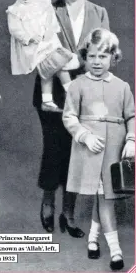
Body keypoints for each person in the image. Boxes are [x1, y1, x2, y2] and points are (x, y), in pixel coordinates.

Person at [33, 0, 110, 235]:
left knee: (78, 154)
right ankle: (47, 203)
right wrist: (66, 63)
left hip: (86, 95)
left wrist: (81, 62)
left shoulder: (99, 12)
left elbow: (104, 52)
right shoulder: (46, 10)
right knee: (55, 149)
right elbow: (37, 52)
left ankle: (68, 214)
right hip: (51, 95)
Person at [63, 28, 135, 270]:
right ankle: (116, 252)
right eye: (92, 56)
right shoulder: (76, 85)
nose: (96, 62)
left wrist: (132, 140)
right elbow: (69, 117)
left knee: (105, 196)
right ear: (84, 57)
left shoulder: (123, 86)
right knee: (105, 198)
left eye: (103, 57)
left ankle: (93, 240)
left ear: (113, 58)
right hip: (90, 150)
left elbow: (132, 116)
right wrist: (83, 135)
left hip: (114, 149)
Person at [7, 0, 80, 113]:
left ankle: (49, 100)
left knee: (53, 68)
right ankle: (70, 95)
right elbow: (15, 30)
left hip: (48, 42)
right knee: (52, 68)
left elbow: (51, 20)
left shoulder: (43, 3)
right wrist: (29, 37)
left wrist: (49, 30)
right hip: (33, 48)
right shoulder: (15, 10)